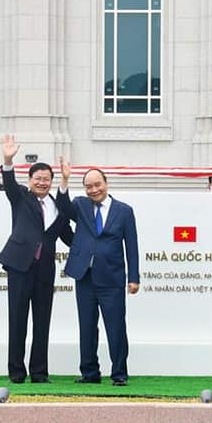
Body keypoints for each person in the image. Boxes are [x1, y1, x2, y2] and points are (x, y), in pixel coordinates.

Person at [0, 135, 74, 384]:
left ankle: (39, 372)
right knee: (17, 319)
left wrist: (94, 246)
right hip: (20, 267)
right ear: (30, 180)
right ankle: (16, 372)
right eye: (38, 178)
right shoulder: (20, 197)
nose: (42, 182)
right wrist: (8, 159)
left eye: (46, 179)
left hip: (45, 271)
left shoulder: (59, 207)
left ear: (52, 181)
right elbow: (9, 183)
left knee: (42, 322)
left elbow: (69, 238)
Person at [56, 161, 139, 386]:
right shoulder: (81, 205)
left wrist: (134, 278)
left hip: (112, 278)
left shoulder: (124, 211)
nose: (94, 190)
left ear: (106, 183)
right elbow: (63, 207)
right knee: (87, 327)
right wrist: (64, 180)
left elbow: (131, 246)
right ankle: (90, 373)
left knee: (116, 327)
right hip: (85, 276)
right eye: (89, 186)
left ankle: (119, 373)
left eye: (97, 185)